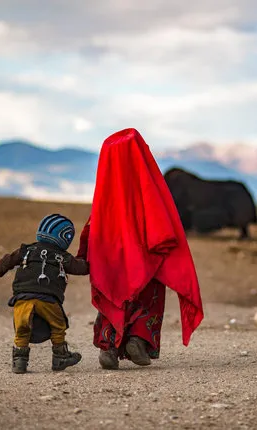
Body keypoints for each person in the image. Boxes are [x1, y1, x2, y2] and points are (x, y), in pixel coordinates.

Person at [76, 128, 204, 370]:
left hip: (111, 260)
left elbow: (94, 228)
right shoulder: (151, 188)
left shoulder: (106, 195)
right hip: (146, 261)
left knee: (113, 297)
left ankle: (110, 347)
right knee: (147, 299)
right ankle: (138, 340)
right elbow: (164, 226)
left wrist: (85, 254)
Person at [0, 214, 89, 374]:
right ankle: (60, 357)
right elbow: (81, 268)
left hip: (21, 298)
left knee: (22, 328)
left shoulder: (26, 250)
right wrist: (92, 263)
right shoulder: (62, 257)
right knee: (58, 326)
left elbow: (7, 260)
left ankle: (19, 362)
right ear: (65, 238)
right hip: (48, 299)